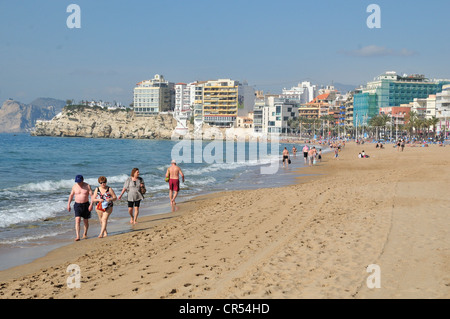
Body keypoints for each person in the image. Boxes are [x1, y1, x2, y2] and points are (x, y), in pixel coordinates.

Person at [67, 175, 93, 241]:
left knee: (85, 221)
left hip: (86, 205)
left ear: (82, 180)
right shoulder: (74, 186)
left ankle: (85, 233)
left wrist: (91, 205)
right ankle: (78, 236)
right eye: (77, 182)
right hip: (77, 205)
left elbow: (92, 195)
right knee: (77, 219)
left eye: (80, 181)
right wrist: (68, 204)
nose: (78, 183)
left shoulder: (87, 186)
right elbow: (71, 195)